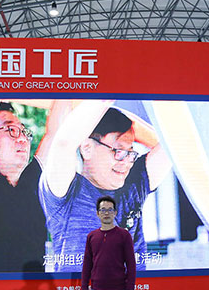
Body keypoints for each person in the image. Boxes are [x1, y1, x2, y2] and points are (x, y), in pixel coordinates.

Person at [40, 101, 172, 272]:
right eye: (119, 151)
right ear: (87, 148)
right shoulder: (66, 192)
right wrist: (106, 92)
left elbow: (177, 140)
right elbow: (63, 143)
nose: (126, 162)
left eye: (130, 153)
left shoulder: (134, 186)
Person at [0, 101, 67, 272]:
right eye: (11, 130)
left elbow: (55, 134)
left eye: (23, 131)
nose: (22, 139)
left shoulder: (32, 183)